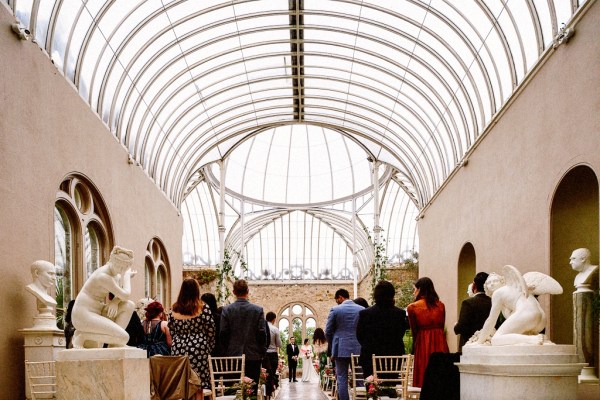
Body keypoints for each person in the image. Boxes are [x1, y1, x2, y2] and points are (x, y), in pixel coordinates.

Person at [474, 265, 561, 346]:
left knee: (496, 340)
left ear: (502, 281)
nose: (492, 284)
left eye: (495, 281)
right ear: (486, 287)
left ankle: (531, 340)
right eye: (489, 283)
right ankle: (536, 339)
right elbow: (511, 317)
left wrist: (479, 342)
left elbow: (491, 320)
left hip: (528, 315)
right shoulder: (514, 289)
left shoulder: (498, 293)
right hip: (541, 320)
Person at [71, 246, 136, 348]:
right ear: (111, 260)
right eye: (118, 266)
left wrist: (115, 302)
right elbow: (125, 295)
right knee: (124, 338)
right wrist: (127, 276)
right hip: (83, 315)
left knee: (129, 305)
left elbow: (122, 297)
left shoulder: (116, 275)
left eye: (124, 268)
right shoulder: (103, 276)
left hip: (98, 312)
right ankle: (83, 336)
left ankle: (114, 344)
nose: (121, 270)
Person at [220, 279, 267, 393]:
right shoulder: (257, 310)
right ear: (248, 291)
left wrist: (227, 350)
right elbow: (262, 333)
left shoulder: (227, 310)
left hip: (233, 356)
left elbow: (223, 333)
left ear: (234, 292)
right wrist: (262, 351)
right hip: (253, 355)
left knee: (232, 389)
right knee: (251, 391)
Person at [169, 278, 215, 392]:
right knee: (199, 383)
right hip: (199, 348)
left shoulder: (174, 309)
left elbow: (171, 329)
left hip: (178, 348)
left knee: (181, 382)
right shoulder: (203, 308)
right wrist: (208, 347)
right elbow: (210, 331)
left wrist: (178, 340)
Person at [356, 280, 408, 378]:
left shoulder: (365, 314)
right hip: (393, 357)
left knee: (372, 388)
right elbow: (400, 332)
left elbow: (359, 335)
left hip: (370, 356)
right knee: (391, 386)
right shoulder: (399, 313)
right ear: (392, 294)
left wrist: (369, 344)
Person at [407, 277, 449, 388]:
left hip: (423, 344)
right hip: (440, 342)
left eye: (415, 289)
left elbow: (414, 331)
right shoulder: (441, 305)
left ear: (419, 289)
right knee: (441, 376)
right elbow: (442, 325)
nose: (413, 292)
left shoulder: (412, 307)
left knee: (424, 373)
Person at [325, 288, 362, 400]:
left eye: (337, 300)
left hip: (340, 348)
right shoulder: (361, 309)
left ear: (340, 297)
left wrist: (333, 346)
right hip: (358, 348)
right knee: (359, 377)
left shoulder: (335, 310)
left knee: (342, 378)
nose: (337, 302)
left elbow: (327, 331)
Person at [453, 272, 491, 351]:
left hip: (469, 345)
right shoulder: (493, 302)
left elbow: (462, 326)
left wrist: (456, 326)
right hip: (488, 345)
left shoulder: (468, 303)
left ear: (474, 285)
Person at [265, 311, 282, 394]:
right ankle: (271, 389)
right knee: (272, 372)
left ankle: (266, 391)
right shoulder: (275, 329)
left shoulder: (263, 328)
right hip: (272, 354)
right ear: (274, 319)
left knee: (265, 373)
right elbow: (279, 344)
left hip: (264, 354)